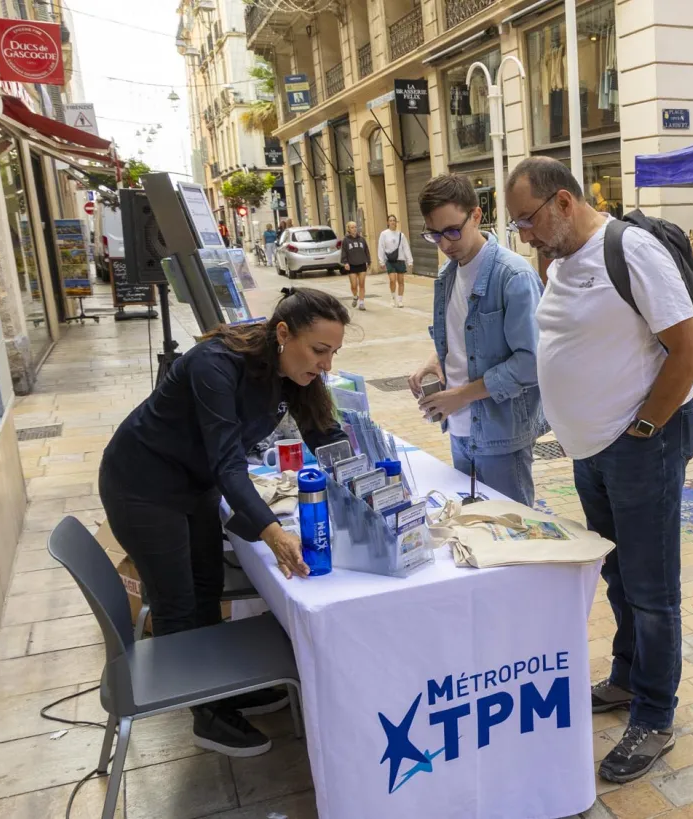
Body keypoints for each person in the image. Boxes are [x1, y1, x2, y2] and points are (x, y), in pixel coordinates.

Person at [504, 157, 693, 784]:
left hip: (640, 445)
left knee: (651, 589)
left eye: (529, 221)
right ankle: (626, 677)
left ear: (563, 202)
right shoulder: (561, 259)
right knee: (618, 573)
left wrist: (644, 428)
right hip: (592, 451)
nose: (527, 235)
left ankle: (655, 713)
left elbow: (690, 348)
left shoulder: (632, 249)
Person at [99, 288, 349, 756]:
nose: (326, 365)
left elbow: (321, 430)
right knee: (177, 600)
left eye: (333, 353)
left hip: (194, 485)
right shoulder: (214, 364)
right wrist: (272, 533)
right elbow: (227, 463)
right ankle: (205, 714)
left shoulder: (292, 370)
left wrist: (362, 478)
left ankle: (223, 688)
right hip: (143, 486)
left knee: (208, 585)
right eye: (319, 350)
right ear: (283, 334)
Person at [407, 175, 545, 505]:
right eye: (434, 235)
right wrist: (435, 360)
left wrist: (463, 396)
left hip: (502, 434)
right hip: (458, 430)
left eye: (453, 230)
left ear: (477, 215)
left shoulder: (513, 276)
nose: (444, 244)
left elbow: (532, 363)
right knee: (474, 533)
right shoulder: (447, 276)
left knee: (513, 537)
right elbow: (463, 338)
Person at [377, 214, 414, 308]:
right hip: (389, 260)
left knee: (401, 281)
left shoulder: (401, 235)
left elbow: (406, 248)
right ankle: (393, 298)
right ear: (388, 222)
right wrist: (381, 261)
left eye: (394, 220)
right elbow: (381, 247)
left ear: (396, 222)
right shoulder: (384, 234)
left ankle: (400, 300)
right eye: (391, 220)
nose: (392, 222)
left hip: (400, 260)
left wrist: (410, 261)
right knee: (392, 280)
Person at [341, 221, 371, 310]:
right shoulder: (346, 240)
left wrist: (368, 261)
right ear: (348, 229)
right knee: (354, 285)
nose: (354, 229)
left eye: (355, 227)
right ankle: (355, 296)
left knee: (362, 284)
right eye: (352, 227)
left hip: (362, 264)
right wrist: (345, 262)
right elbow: (344, 252)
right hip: (352, 265)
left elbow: (366, 251)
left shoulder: (361, 239)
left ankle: (361, 303)